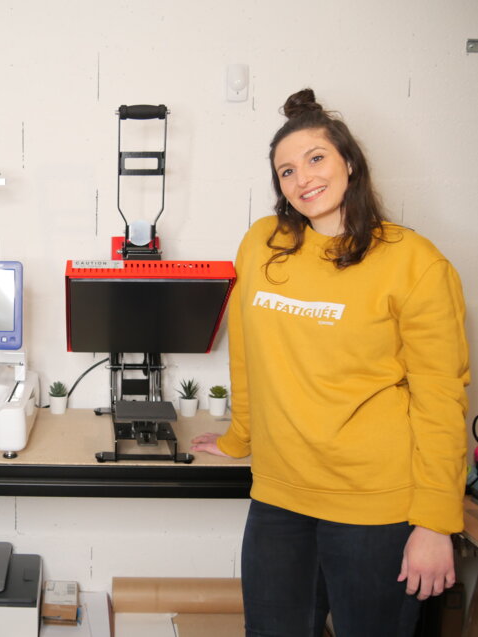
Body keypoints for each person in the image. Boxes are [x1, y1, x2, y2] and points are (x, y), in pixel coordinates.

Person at [192, 89, 469, 636]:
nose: (303, 179)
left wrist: (437, 523)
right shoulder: (262, 243)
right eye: (287, 171)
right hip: (279, 494)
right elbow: (247, 356)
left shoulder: (415, 263)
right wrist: (239, 437)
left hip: (377, 505)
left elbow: (441, 396)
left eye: (316, 158)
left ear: (350, 162)